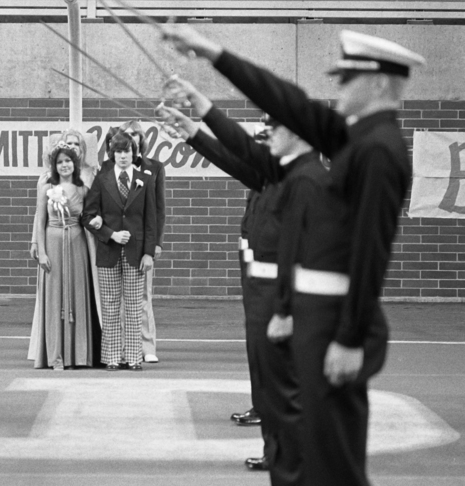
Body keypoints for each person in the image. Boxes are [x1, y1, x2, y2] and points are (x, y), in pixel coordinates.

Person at [162, 27, 424, 485]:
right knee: (317, 452)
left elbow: (369, 254)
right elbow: (281, 113)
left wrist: (349, 336)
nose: (338, 88)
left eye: (347, 79)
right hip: (314, 315)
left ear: (380, 84)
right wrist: (213, 55)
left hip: (334, 320)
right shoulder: (356, 140)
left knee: (332, 459)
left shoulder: (378, 150)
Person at [161, 79, 316, 483]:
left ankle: (295, 457)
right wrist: (192, 129)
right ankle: (276, 451)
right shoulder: (274, 172)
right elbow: (232, 158)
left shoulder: (304, 179)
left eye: (271, 130)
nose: (263, 137)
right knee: (267, 380)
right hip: (260, 286)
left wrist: (287, 307)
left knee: (285, 384)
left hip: (283, 293)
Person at [82, 132, 156, 371]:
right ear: (112, 154)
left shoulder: (145, 178)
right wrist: (109, 234)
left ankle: (134, 357)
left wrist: (149, 253)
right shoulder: (102, 180)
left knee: (135, 305)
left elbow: (150, 220)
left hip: (136, 254)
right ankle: (112, 356)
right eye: (118, 152)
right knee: (111, 305)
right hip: (109, 251)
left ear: (134, 154)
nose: (123, 156)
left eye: (127, 152)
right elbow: (88, 215)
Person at [29, 142, 95, 369]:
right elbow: (40, 220)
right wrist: (42, 251)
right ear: (54, 166)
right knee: (54, 297)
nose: (64, 165)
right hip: (53, 243)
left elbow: (89, 218)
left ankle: (77, 355)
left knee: (77, 295)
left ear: (74, 164)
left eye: (68, 161)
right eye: (60, 162)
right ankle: (55, 356)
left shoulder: (83, 190)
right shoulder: (45, 187)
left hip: (77, 245)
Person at [120, 120, 166, 364]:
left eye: (135, 135)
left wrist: (156, 243)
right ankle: (125, 346)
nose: (131, 139)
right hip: (118, 240)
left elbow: (158, 209)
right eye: (126, 135)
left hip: (143, 241)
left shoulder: (154, 167)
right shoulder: (110, 166)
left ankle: (147, 346)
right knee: (119, 298)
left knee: (143, 296)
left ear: (141, 139)